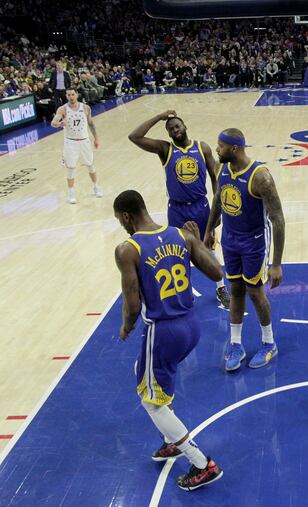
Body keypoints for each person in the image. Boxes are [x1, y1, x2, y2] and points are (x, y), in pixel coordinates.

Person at [113, 190, 224, 491]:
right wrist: (197, 241)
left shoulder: (128, 248)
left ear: (126, 216)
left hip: (162, 331)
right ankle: (168, 441)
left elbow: (133, 303)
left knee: (151, 402)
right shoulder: (180, 235)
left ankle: (202, 463)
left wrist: (126, 327)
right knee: (154, 375)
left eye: (120, 221)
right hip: (191, 326)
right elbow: (216, 273)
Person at [128, 110, 231, 308]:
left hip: (201, 207)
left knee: (208, 248)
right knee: (178, 251)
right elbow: (135, 137)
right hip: (177, 209)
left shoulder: (202, 147)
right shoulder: (165, 149)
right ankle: (183, 290)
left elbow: (215, 177)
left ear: (185, 127)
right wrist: (159, 117)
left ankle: (221, 289)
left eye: (177, 126)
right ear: (168, 133)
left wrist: (217, 209)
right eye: (171, 129)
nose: (175, 130)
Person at [203, 128, 285, 372]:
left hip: (254, 242)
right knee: (236, 290)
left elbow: (278, 218)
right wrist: (209, 230)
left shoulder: (260, 177)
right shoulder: (223, 169)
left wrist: (277, 263)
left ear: (234, 148)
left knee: (255, 292)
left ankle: (269, 342)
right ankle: (236, 344)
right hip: (230, 239)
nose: (216, 150)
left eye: (220, 146)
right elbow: (218, 198)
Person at [50, 88, 102, 204]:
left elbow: (91, 124)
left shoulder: (85, 108)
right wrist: (59, 124)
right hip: (70, 142)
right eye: (69, 95)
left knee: (91, 166)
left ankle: (95, 186)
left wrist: (96, 138)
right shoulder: (62, 109)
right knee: (71, 169)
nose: (71, 97)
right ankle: (71, 193)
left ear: (77, 95)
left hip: (84, 141)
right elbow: (53, 122)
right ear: (66, 96)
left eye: (73, 94)